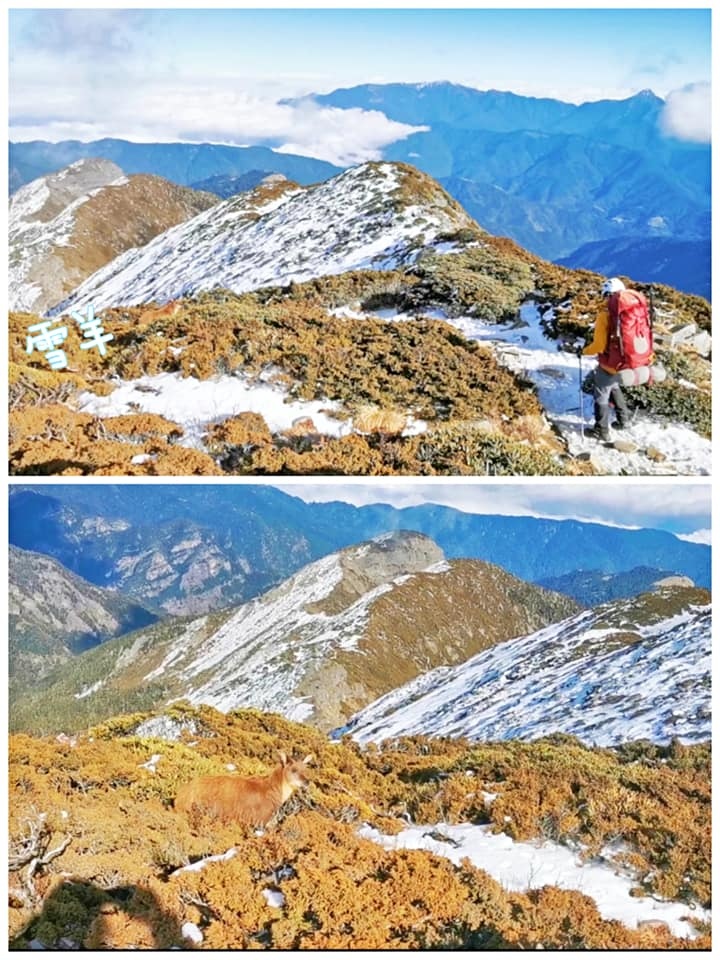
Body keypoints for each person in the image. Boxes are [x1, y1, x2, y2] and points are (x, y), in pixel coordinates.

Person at [581, 277, 633, 441]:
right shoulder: (631, 312)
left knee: (601, 394)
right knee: (615, 385)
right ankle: (624, 420)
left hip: (610, 362)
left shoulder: (605, 315)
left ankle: (601, 431)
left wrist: (583, 351)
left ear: (607, 295)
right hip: (628, 361)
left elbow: (599, 346)